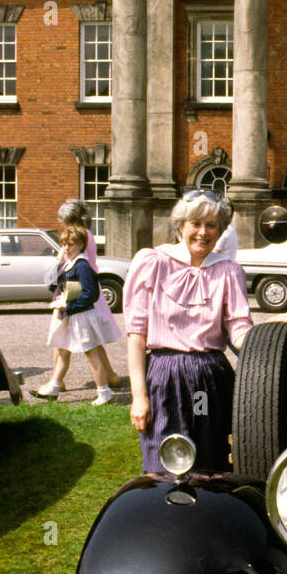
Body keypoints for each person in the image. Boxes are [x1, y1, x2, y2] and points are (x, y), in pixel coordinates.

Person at [123, 190, 253, 474]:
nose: (203, 232)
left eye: (211, 225)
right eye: (196, 223)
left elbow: (240, 330)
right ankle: (163, 516)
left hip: (206, 382)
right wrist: (139, 396)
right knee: (164, 459)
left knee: (204, 454)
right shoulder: (153, 263)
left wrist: (271, 331)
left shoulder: (228, 271)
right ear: (180, 226)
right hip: (164, 377)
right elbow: (136, 335)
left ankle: (205, 514)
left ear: (220, 231)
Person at [38, 199, 122, 395]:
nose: (63, 224)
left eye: (65, 220)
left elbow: (71, 268)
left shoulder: (78, 237)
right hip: (84, 286)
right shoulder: (86, 235)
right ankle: (109, 375)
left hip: (76, 286)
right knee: (91, 337)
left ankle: (57, 380)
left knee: (61, 331)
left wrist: (65, 302)